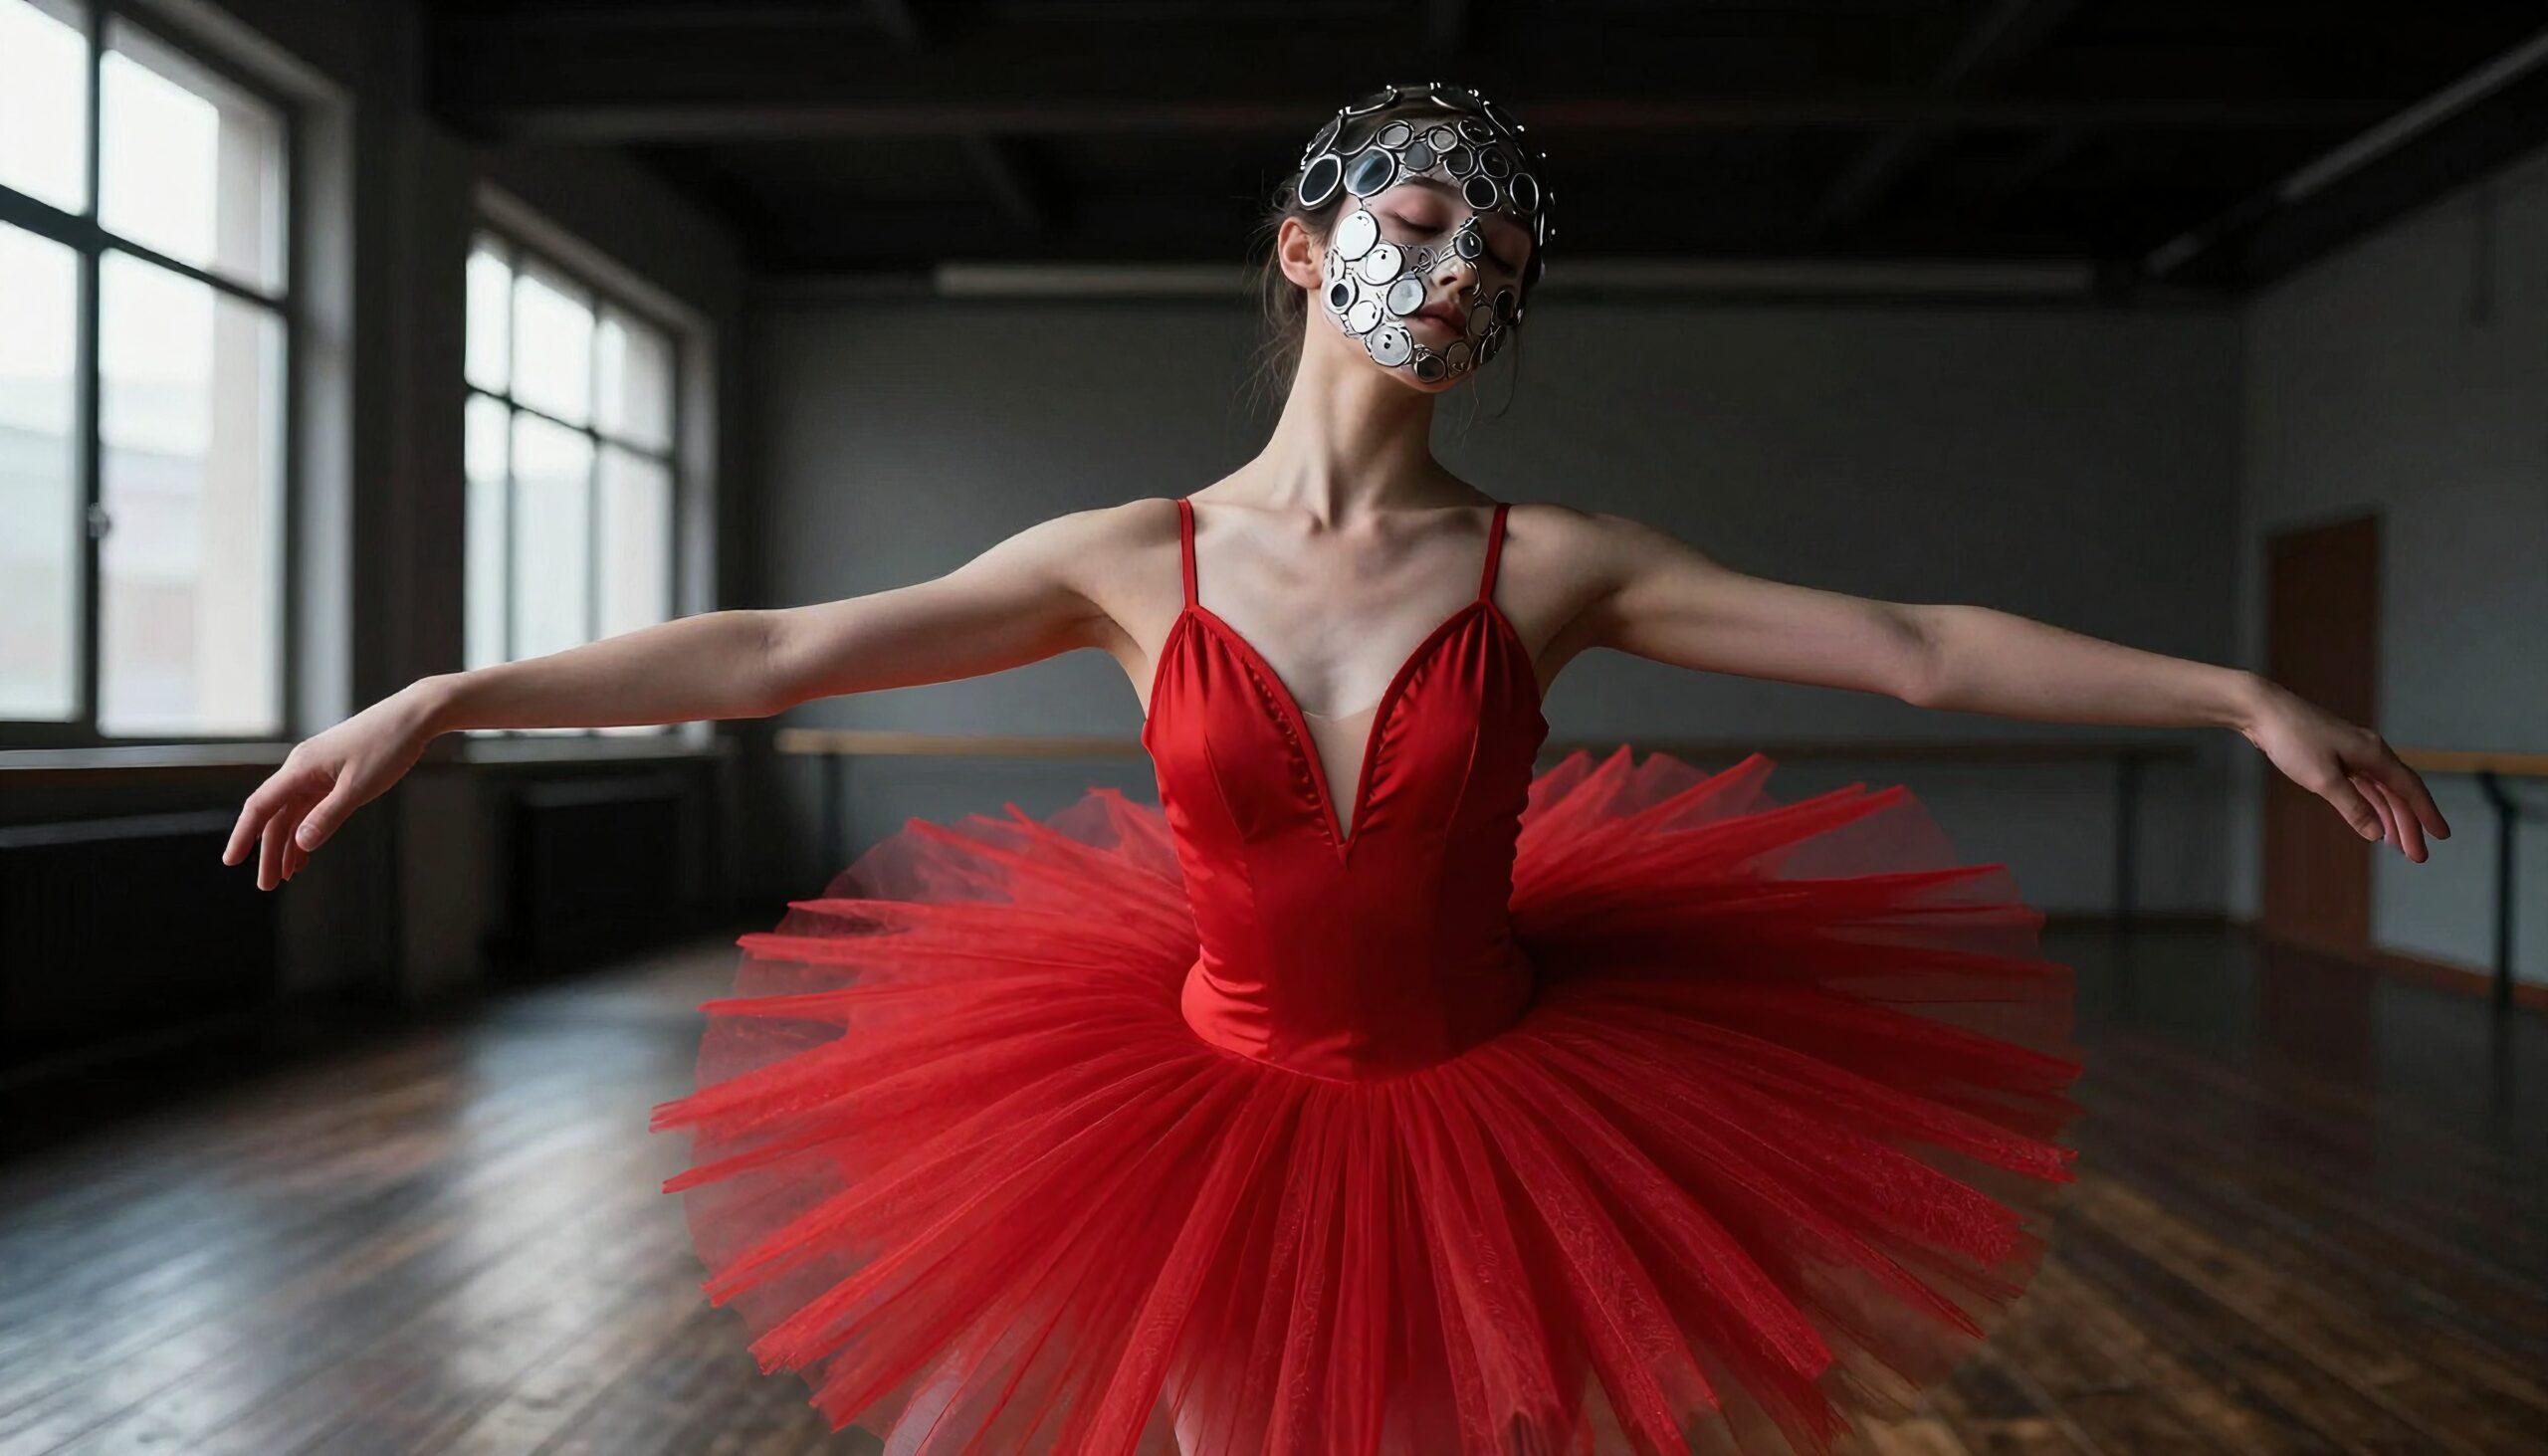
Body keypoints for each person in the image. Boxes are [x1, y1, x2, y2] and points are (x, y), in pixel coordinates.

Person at [223, 82, 2446, 1456]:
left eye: (1496, 253)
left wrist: (2237, 694)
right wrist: (445, 697)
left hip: (1496, 1101)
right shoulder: (1122, 557)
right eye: (1413, 223)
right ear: (1301, 252)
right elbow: (782, 646)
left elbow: (1916, 651)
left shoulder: (1548, 561)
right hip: (1200, 1108)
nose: (1458, 266)